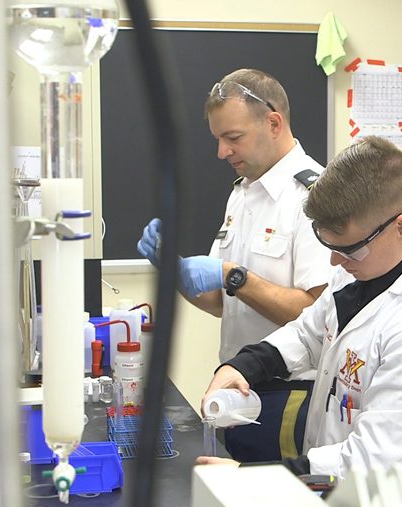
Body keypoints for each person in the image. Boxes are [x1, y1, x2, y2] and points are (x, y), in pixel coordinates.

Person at [196, 136, 402, 479]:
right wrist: (244, 366)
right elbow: (309, 333)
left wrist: (254, 478)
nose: (334, 260)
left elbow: (373, 460)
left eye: (348, 249)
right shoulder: (367, 266)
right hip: (338, 498)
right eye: (328, 245)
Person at [137, 69, 333, 460]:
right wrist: (174, 269)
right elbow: (218, 299)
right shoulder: (242, 194)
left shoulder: (313, 196)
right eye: (218, 139)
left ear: (273, 122)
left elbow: (319, 313)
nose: (222, 152)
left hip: (289, 392)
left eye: (233, 138)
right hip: (236, 384)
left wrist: (234, 277)